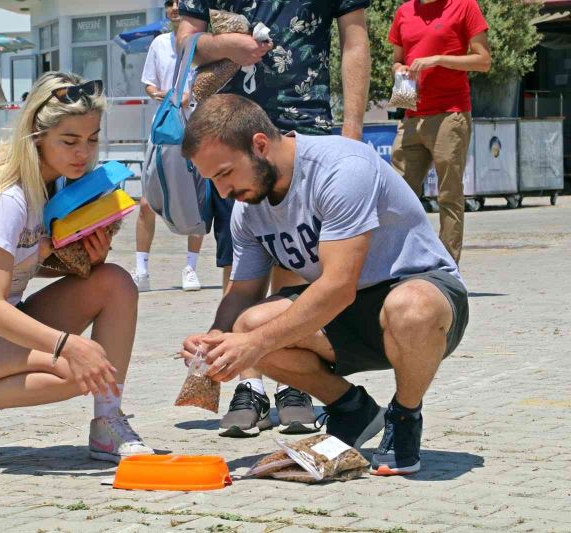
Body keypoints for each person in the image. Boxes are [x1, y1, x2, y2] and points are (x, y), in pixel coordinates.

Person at [179, 94, 468, 475]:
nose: (222, 192)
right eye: (212, 180)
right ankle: (352, 409)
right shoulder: (247, 208)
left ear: (260, 145)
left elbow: (337, 287)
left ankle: (404, 416)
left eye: (224, 174)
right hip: (346, 314)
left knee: (410, 307)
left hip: (420, 295)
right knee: (247, 325)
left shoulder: (341, 167)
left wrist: (253, 346)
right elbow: (244, 293)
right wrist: (216, 340)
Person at [0, 72, 153, 468]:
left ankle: (107, 422)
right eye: (70, 141)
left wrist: (88, 259)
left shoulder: (52, 186)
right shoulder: (8, 196)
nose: (84, 153)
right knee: (80, 368)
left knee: (114, 283)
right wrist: (68, 344)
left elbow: (19, 269)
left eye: (91, 140)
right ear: (38, 136)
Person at [178, 0, 371, 437]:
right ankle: (248, 382)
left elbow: (354, 39)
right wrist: (222, 43)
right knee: (242, 260)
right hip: (225, 131)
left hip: (307, 122)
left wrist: (352, 136)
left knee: (295, 257)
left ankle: (293, 387)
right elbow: (185, 42)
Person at [389, 0, 491, 264]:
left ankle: (447, 268)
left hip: (450, 113)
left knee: (449, 194)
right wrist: (399, 69)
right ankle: (404, 261)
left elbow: (483, 61)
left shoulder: (465, 6)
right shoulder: (404, 11)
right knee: (397, 194)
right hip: (411, 114)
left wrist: (439, 59)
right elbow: (396, 60)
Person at [133, 0, 204, 293]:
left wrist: (192, 93)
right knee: (147, 200)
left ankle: (191, 267)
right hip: (163, 130)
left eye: (180, 2)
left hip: (197, 128)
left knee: (198, 199)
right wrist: (158, 94)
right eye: (169, 3)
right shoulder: (160, 44)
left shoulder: (203, 43)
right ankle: (141, 270)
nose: (175, 7)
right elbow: (148, 83)